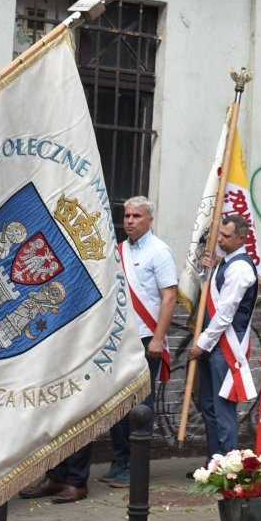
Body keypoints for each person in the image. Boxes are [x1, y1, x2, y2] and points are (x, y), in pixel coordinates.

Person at [99, 196, 178, 487]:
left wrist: (158, 338)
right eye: (127, 216)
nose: (130, 221)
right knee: (118, 404)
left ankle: (136, 467)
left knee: (140, 406)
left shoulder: (160, 252)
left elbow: (169, 297)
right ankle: (120, 461)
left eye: (137, 216)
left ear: (150, 220)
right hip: (120, 338)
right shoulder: (119, 251)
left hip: (146, 338)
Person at [187, 213, 259, 458]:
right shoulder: (225, 262)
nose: (220, 240)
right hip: (213, 345)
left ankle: (228, 462)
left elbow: (225, 312)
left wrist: (202, 344)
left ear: (242, 238)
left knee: (222, 406)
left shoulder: (239, 268)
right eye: (220, 234)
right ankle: (213, 458)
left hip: (225, 345)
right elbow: (211, 292)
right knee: (208, 404)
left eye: (227, 236)